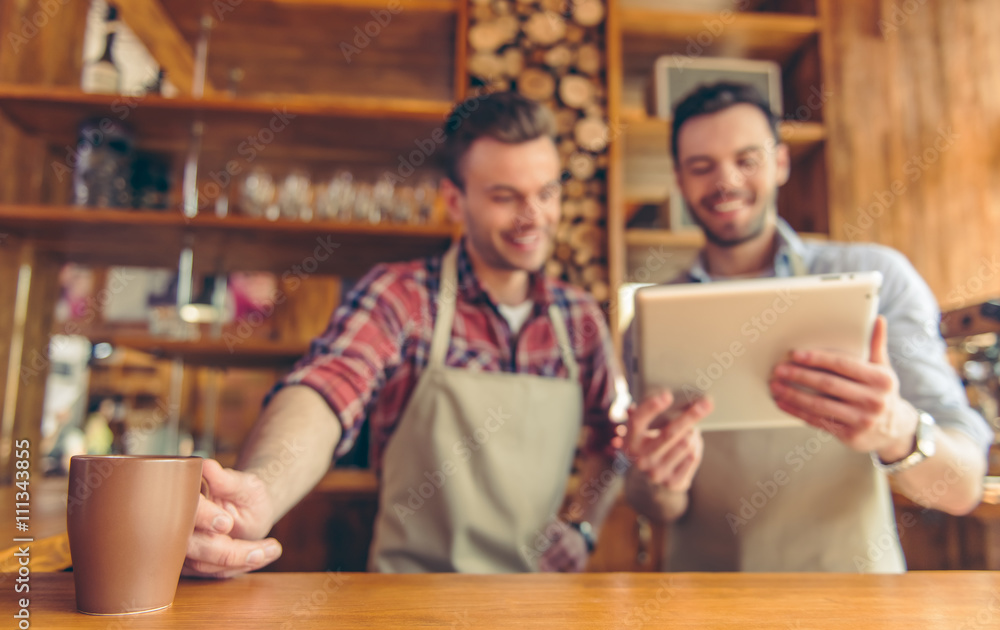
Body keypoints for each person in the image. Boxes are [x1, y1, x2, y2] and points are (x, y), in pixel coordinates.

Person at [184, 91, 626, 577]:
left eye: (546, 193)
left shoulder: (580, 319)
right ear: (455, 201)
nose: (534, 215)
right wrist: (263, 488)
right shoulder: (403, 297)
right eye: (506, 197)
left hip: (539, 613)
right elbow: (327, 388)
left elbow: (611, 441)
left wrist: (583, 525)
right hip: (413, 605)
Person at [622, 82, 992, 572]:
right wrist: (657, 483)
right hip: (705, 608)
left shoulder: (879, 279)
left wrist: (895, 429)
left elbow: (963, 486)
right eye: (701, 166)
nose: (726, 180)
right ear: (678, 178)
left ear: (781, 162)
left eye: (747, 158)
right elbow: (658, 507)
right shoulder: (652, 320)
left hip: (855, 604)